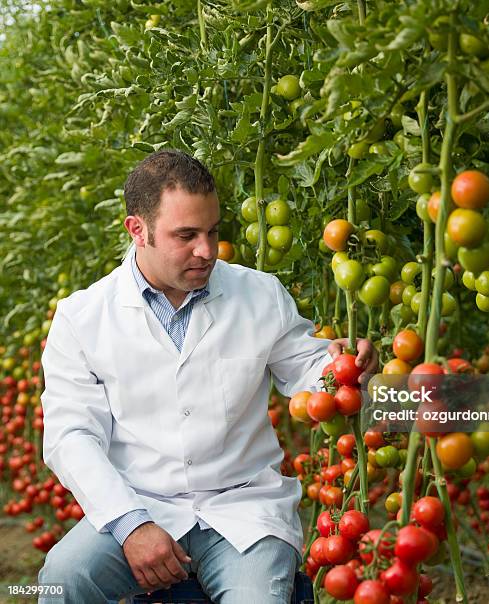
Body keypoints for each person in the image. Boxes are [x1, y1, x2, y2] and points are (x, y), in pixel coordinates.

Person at [37, 149, 378, 604]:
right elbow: (71, 435)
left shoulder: (259, 294)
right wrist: (131, 524)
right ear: (137, 230)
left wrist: (340, 367)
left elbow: (308, 373)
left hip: (243, 509)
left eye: (213, 231)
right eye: (186, 235)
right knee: (63, 579)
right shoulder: (82, 318)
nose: (206, 250)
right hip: (140, 502)